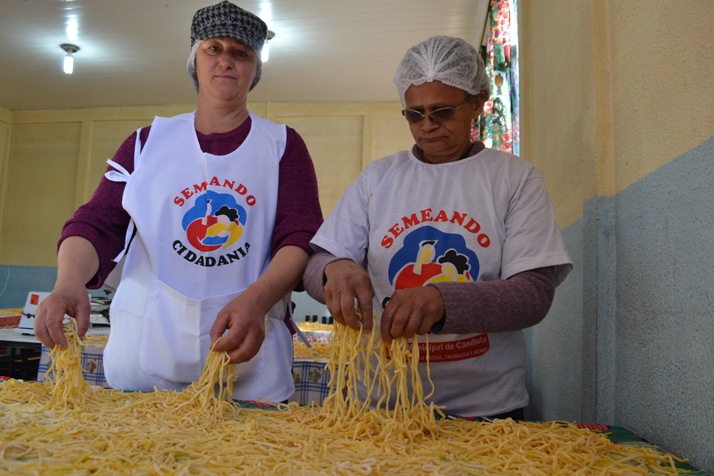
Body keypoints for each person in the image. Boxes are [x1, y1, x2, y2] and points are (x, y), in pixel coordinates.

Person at [35, 1, 323, 403]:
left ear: (255, 68)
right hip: (145, 363)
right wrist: (68, 282)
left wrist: (257, 301)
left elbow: (299, 236)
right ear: (194, 59)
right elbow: (96, 225)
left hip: (248, 365)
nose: (226, 60)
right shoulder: (146, 143)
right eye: (213, 48)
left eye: (241, 53)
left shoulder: (282, 146)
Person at [303, 35, 572, 419]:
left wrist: (444, 300)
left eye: (442, 111)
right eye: (415, 114)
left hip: (484, 408)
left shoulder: (513, 179)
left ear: (478, 102)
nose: (427, 126)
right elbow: (318, 261)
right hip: (380, 404)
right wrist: (334, 269)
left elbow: (533, 294)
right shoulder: (379, 178)